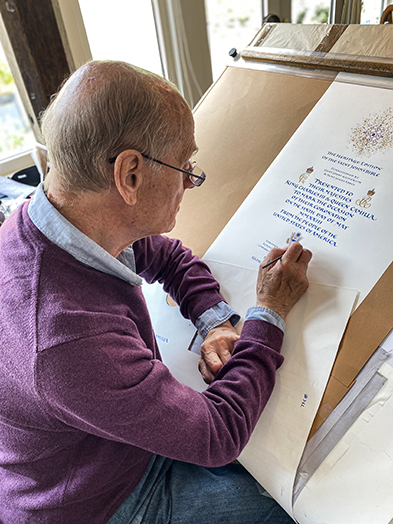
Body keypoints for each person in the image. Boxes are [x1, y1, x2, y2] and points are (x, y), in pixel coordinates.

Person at [0, 60, 312, 524]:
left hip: (95, 449)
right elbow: (218, 434)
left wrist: (216, 323)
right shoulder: (67, 340)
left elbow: (167, 257)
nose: (190, 179)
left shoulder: (56, 218)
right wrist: (267, 312)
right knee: (296, 510)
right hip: (96, 501)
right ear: (129, 174)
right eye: (183, 164)